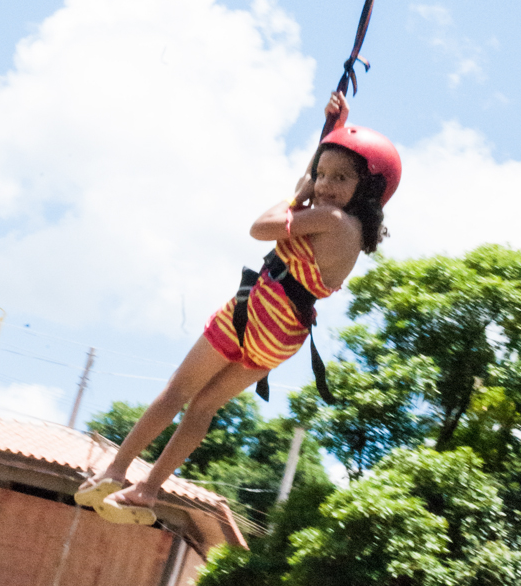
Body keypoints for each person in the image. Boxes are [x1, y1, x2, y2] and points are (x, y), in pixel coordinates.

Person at [75, 91, 401, 524]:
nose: (323, 185)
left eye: (339, 179)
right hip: (282, 337)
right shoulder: (352, 231)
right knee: (203, 407)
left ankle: (115, 471)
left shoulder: (332, 220)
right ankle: (147, 492)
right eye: (321, 175)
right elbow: (326, 179)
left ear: (369, 188)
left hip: (254, 312)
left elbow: (260, 228)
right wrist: (335, 129)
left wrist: (295, 194)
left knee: (177, 391)